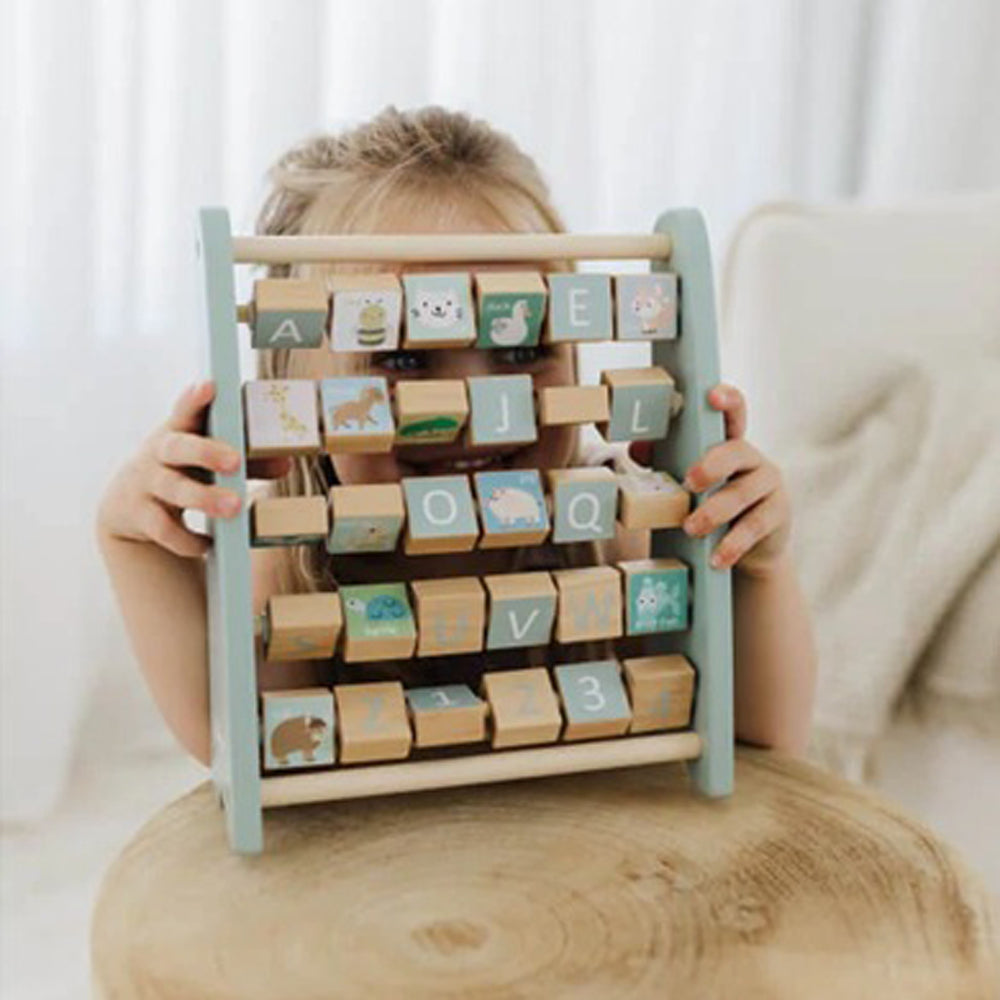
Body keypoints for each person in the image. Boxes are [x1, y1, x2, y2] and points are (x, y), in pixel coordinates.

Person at [96, 106, 817, 767]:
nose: (474, 404)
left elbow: (762, 733)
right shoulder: (289, 579)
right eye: (404, 357)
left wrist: (757, 565)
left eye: (521, 347)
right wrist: (133, 540)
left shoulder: (624, 536)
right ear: (291, 388)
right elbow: (233, 746)